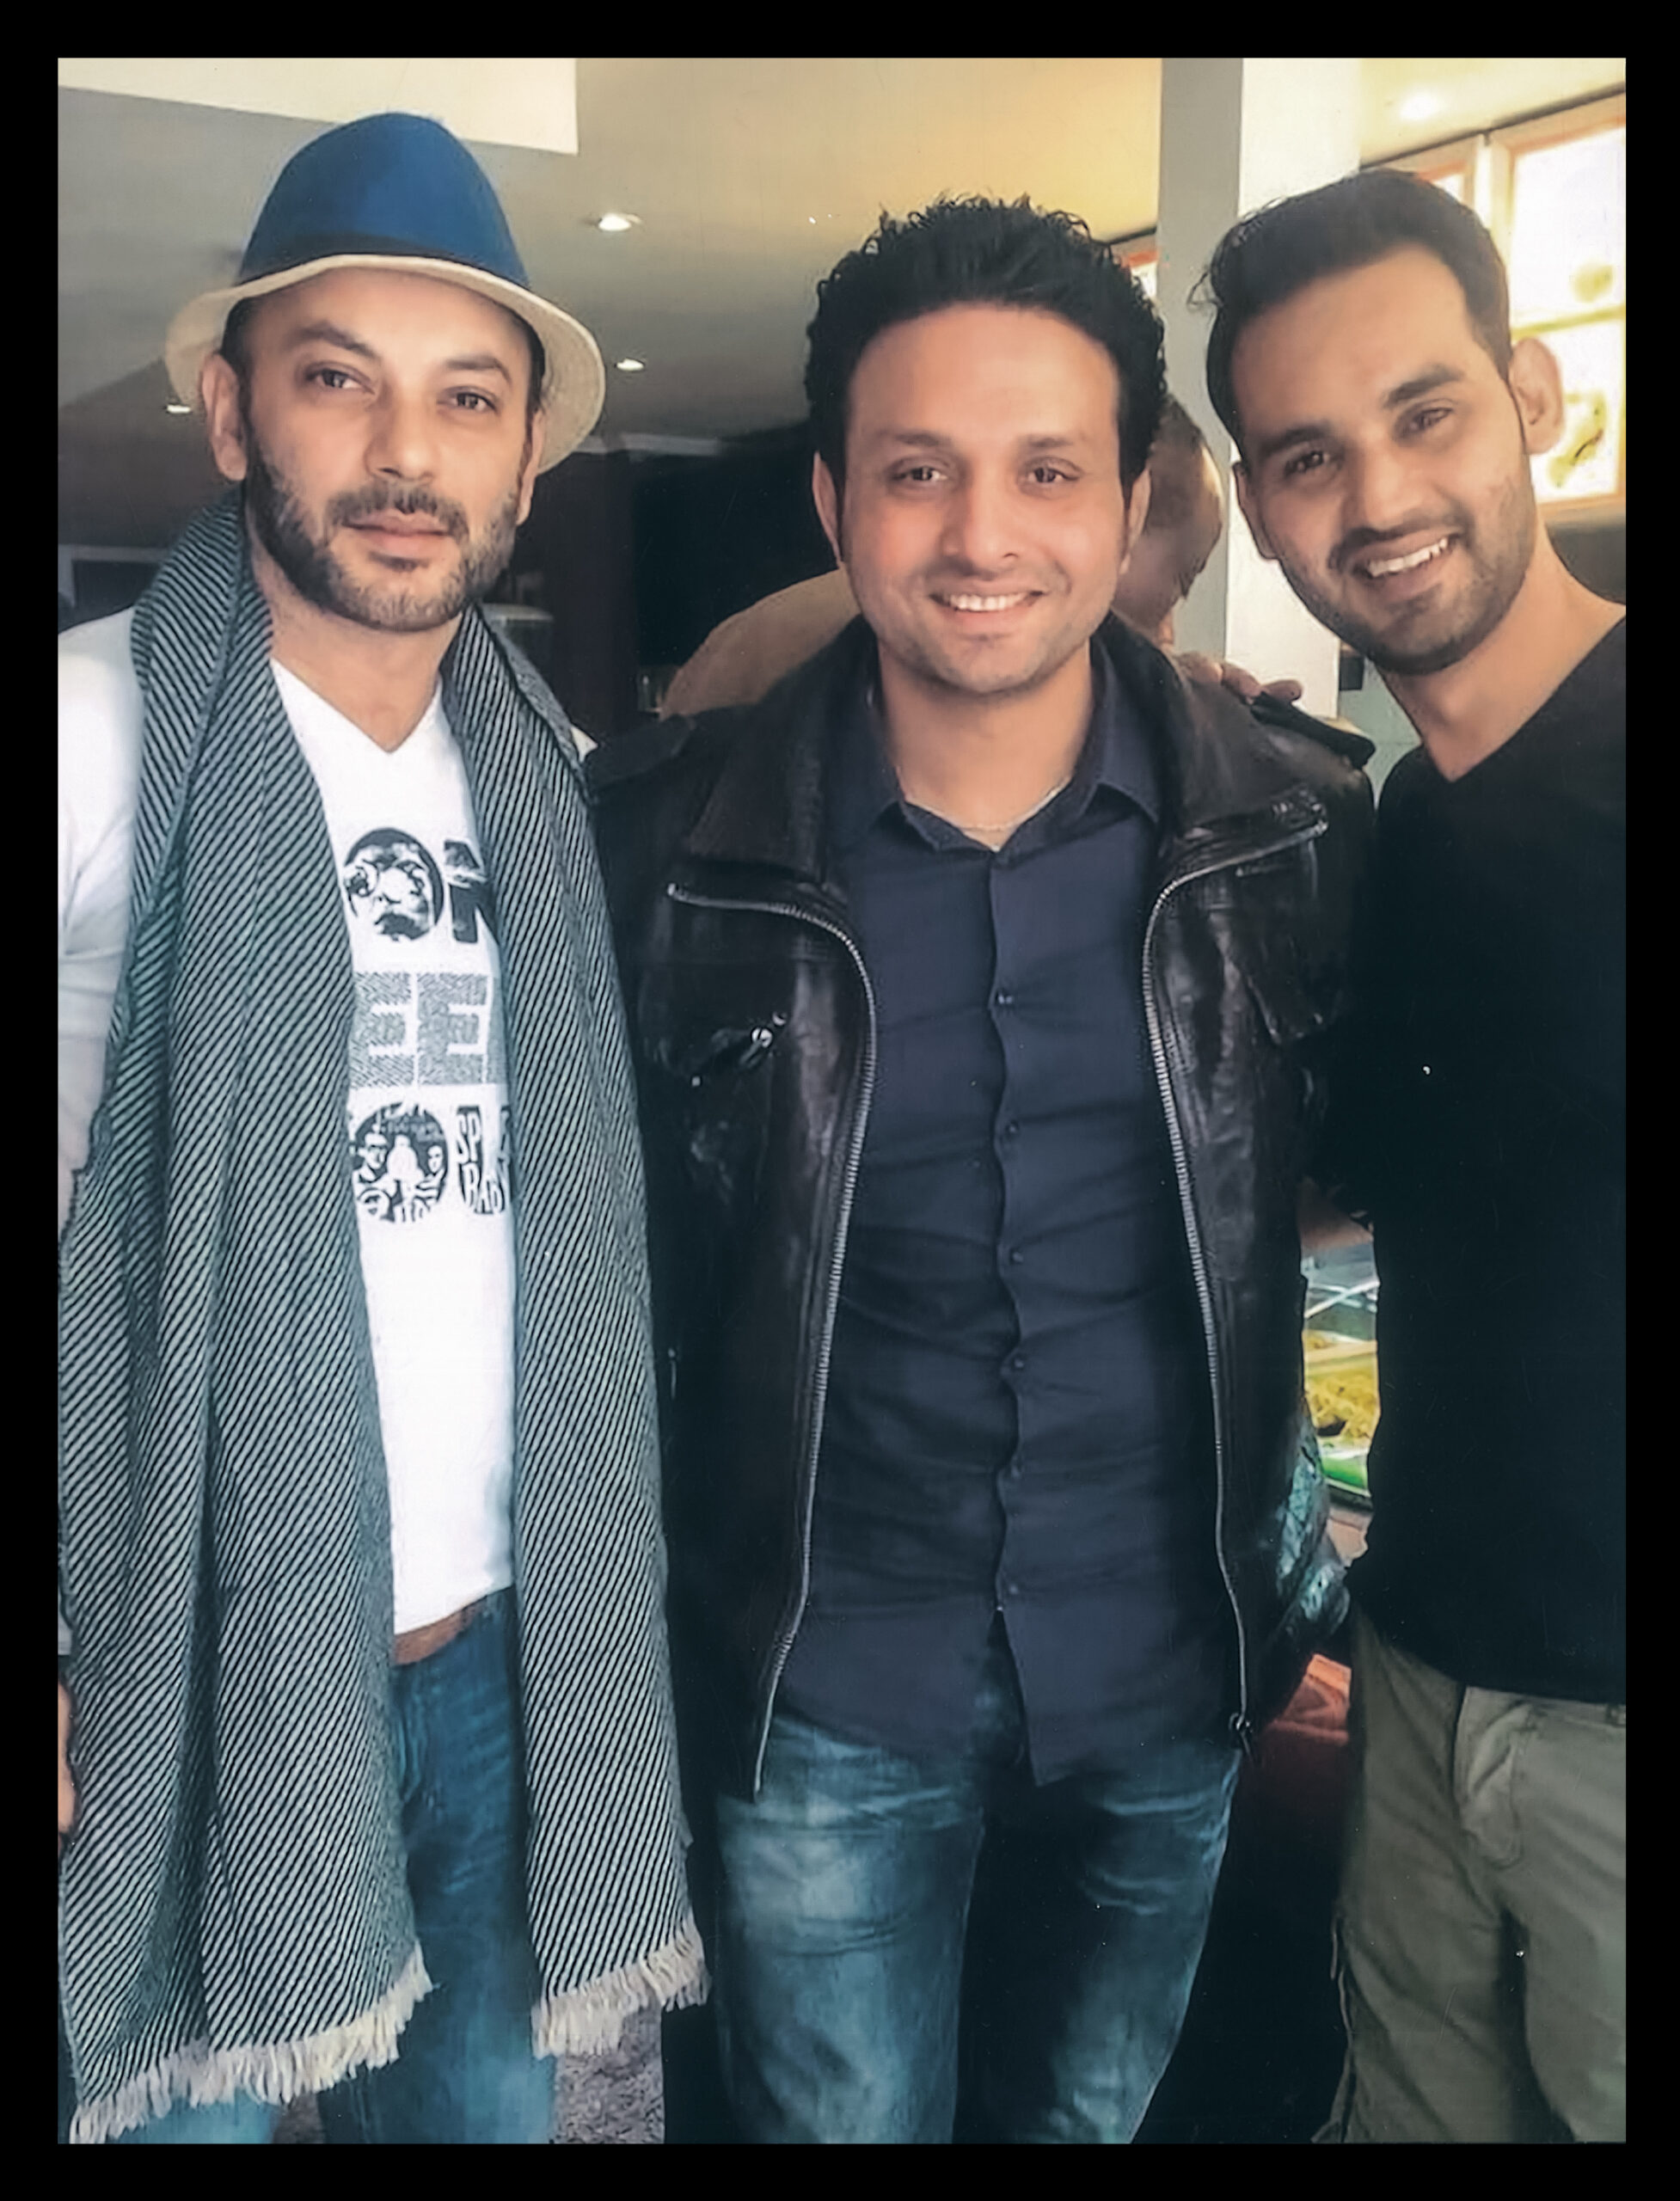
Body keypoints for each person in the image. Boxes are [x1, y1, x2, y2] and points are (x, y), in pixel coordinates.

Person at [589, 195, 1375, 2144]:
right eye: (916, 469)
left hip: (1168, 1667)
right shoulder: (658, 851)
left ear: (1127, 504)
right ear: (833, 502)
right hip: (821, 1680)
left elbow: (1367, 1190)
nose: (980, 534)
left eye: (1044, 469)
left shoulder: (1297, 835)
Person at [56, 112, 702, 2146]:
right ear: (233, 412)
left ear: (526, 458)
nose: (406, 452)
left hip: (497, 1641)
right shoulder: (93, 732)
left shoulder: (551, 774)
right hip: (173, 1642)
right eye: (339, 379)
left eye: (466, 398)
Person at [1203, 166, 1625, 2143]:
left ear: (1531, 396)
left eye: (1423, 412)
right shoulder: (1388, 832)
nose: (1374, 497)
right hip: (1423, 1660)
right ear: (1254, 507)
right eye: (1309, 454)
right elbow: (1337, 1192)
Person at [658, 395, 1228, 720]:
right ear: (1125, 518)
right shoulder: (953, 661)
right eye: (1185, 578)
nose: (1169, 632)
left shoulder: (748, 634)